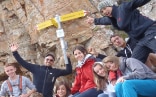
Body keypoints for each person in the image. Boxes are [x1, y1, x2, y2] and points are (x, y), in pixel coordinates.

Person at [86, 0, 156, 64]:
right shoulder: (113, 19)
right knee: (134, 62)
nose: (104, 12)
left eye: (104, 8)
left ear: (111, 5)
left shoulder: (123, 8)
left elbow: (138, 2)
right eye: (102, 11)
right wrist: (94, 21)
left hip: (149, 32)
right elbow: (104, 20)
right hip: (141, 40)